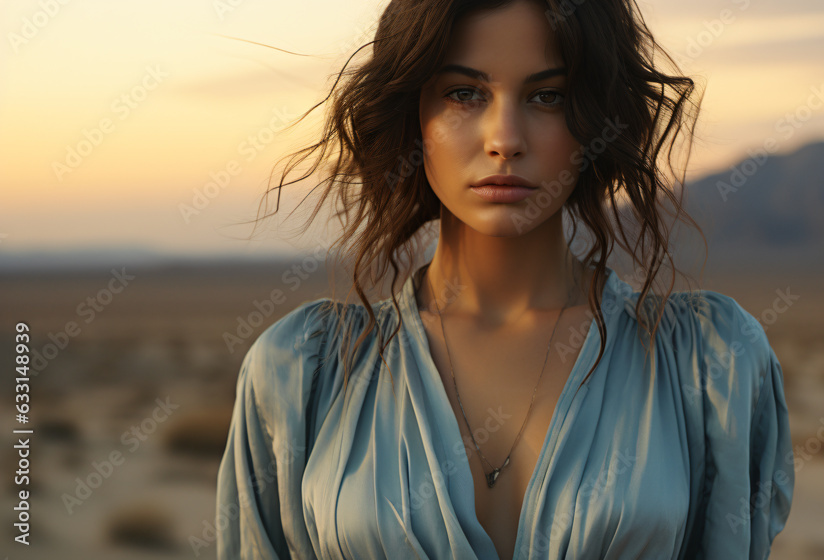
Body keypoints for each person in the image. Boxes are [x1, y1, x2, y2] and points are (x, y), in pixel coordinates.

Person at [216, 0, 794, 558]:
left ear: (595, 119)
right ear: (411, 114)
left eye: (549, 96)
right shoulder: (303, 371)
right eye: (463, 93)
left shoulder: (710, 362)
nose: (504, 139)